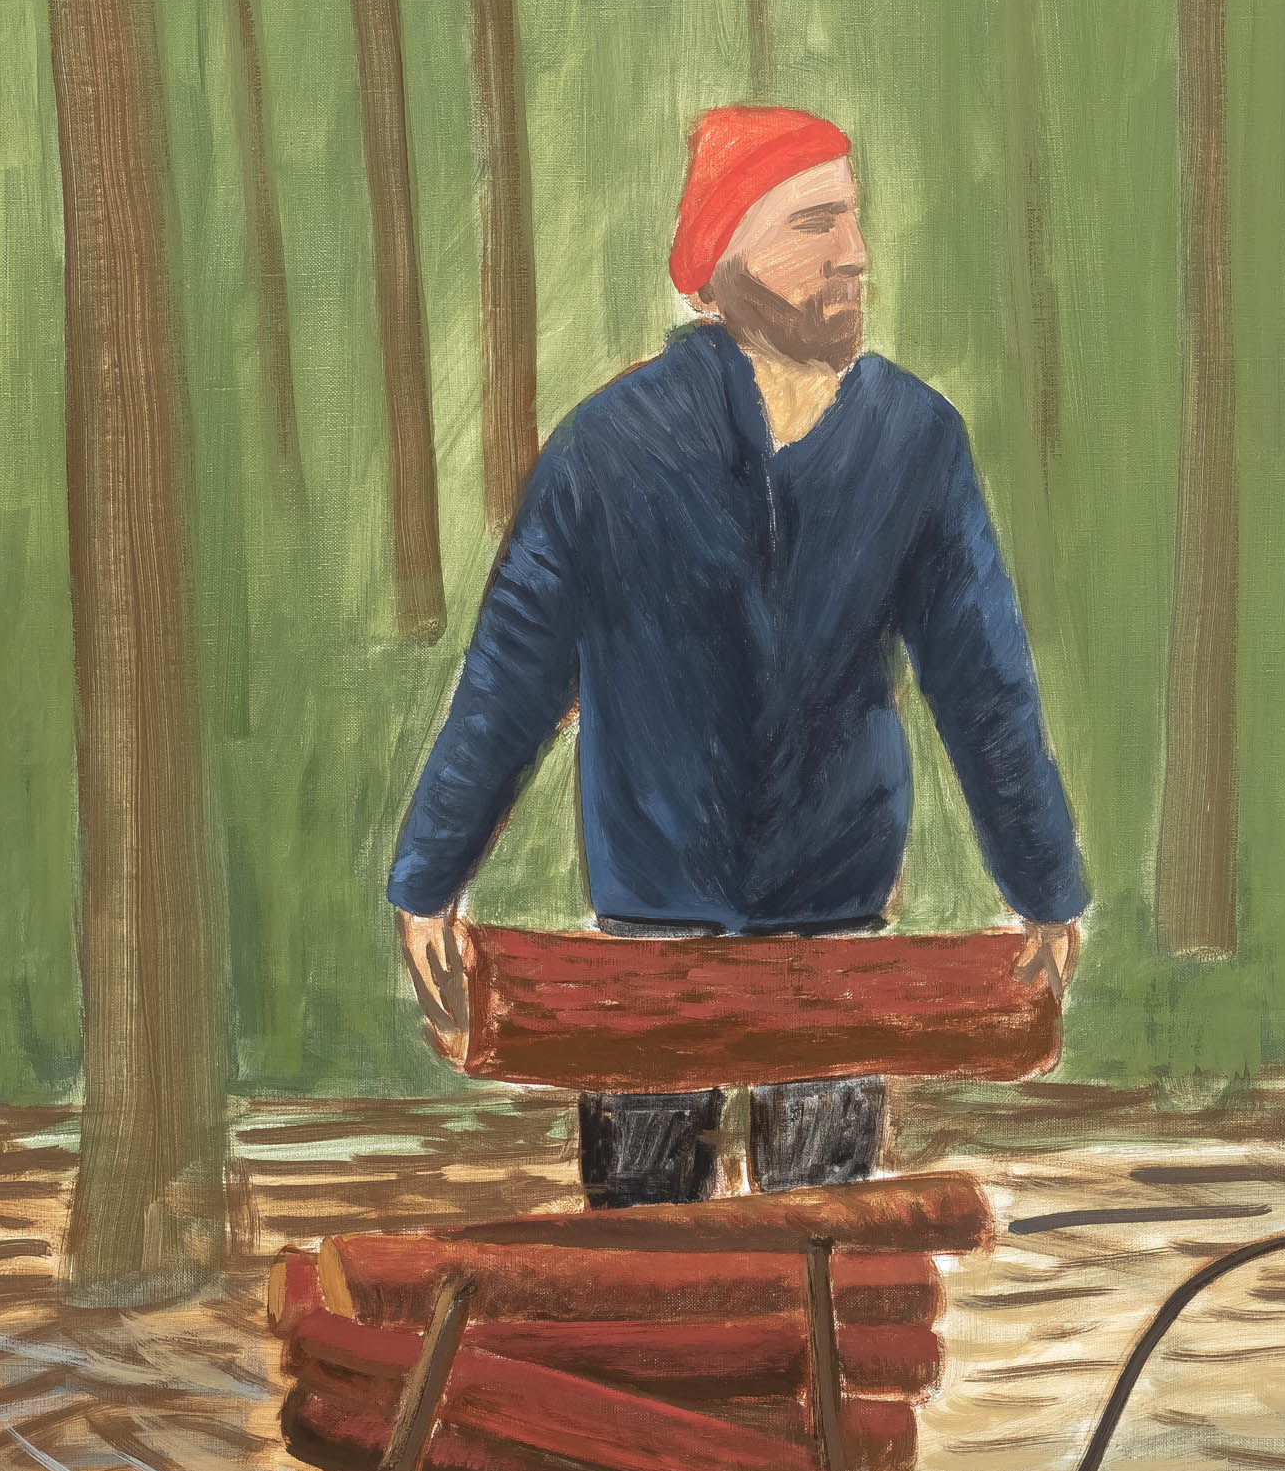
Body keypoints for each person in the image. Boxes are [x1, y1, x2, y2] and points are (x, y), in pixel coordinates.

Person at [386, 107, 1087, 1205]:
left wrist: (1043, 881)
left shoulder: (915, 438)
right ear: (724, 259)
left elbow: (982, 682)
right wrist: (430, 874)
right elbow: (512, 676)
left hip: (839, 923)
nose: (853, 252)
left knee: (822, 1247)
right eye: (814, 224)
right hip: (649, 936)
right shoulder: (608, 448)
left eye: (851, 218)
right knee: (639, 1256)